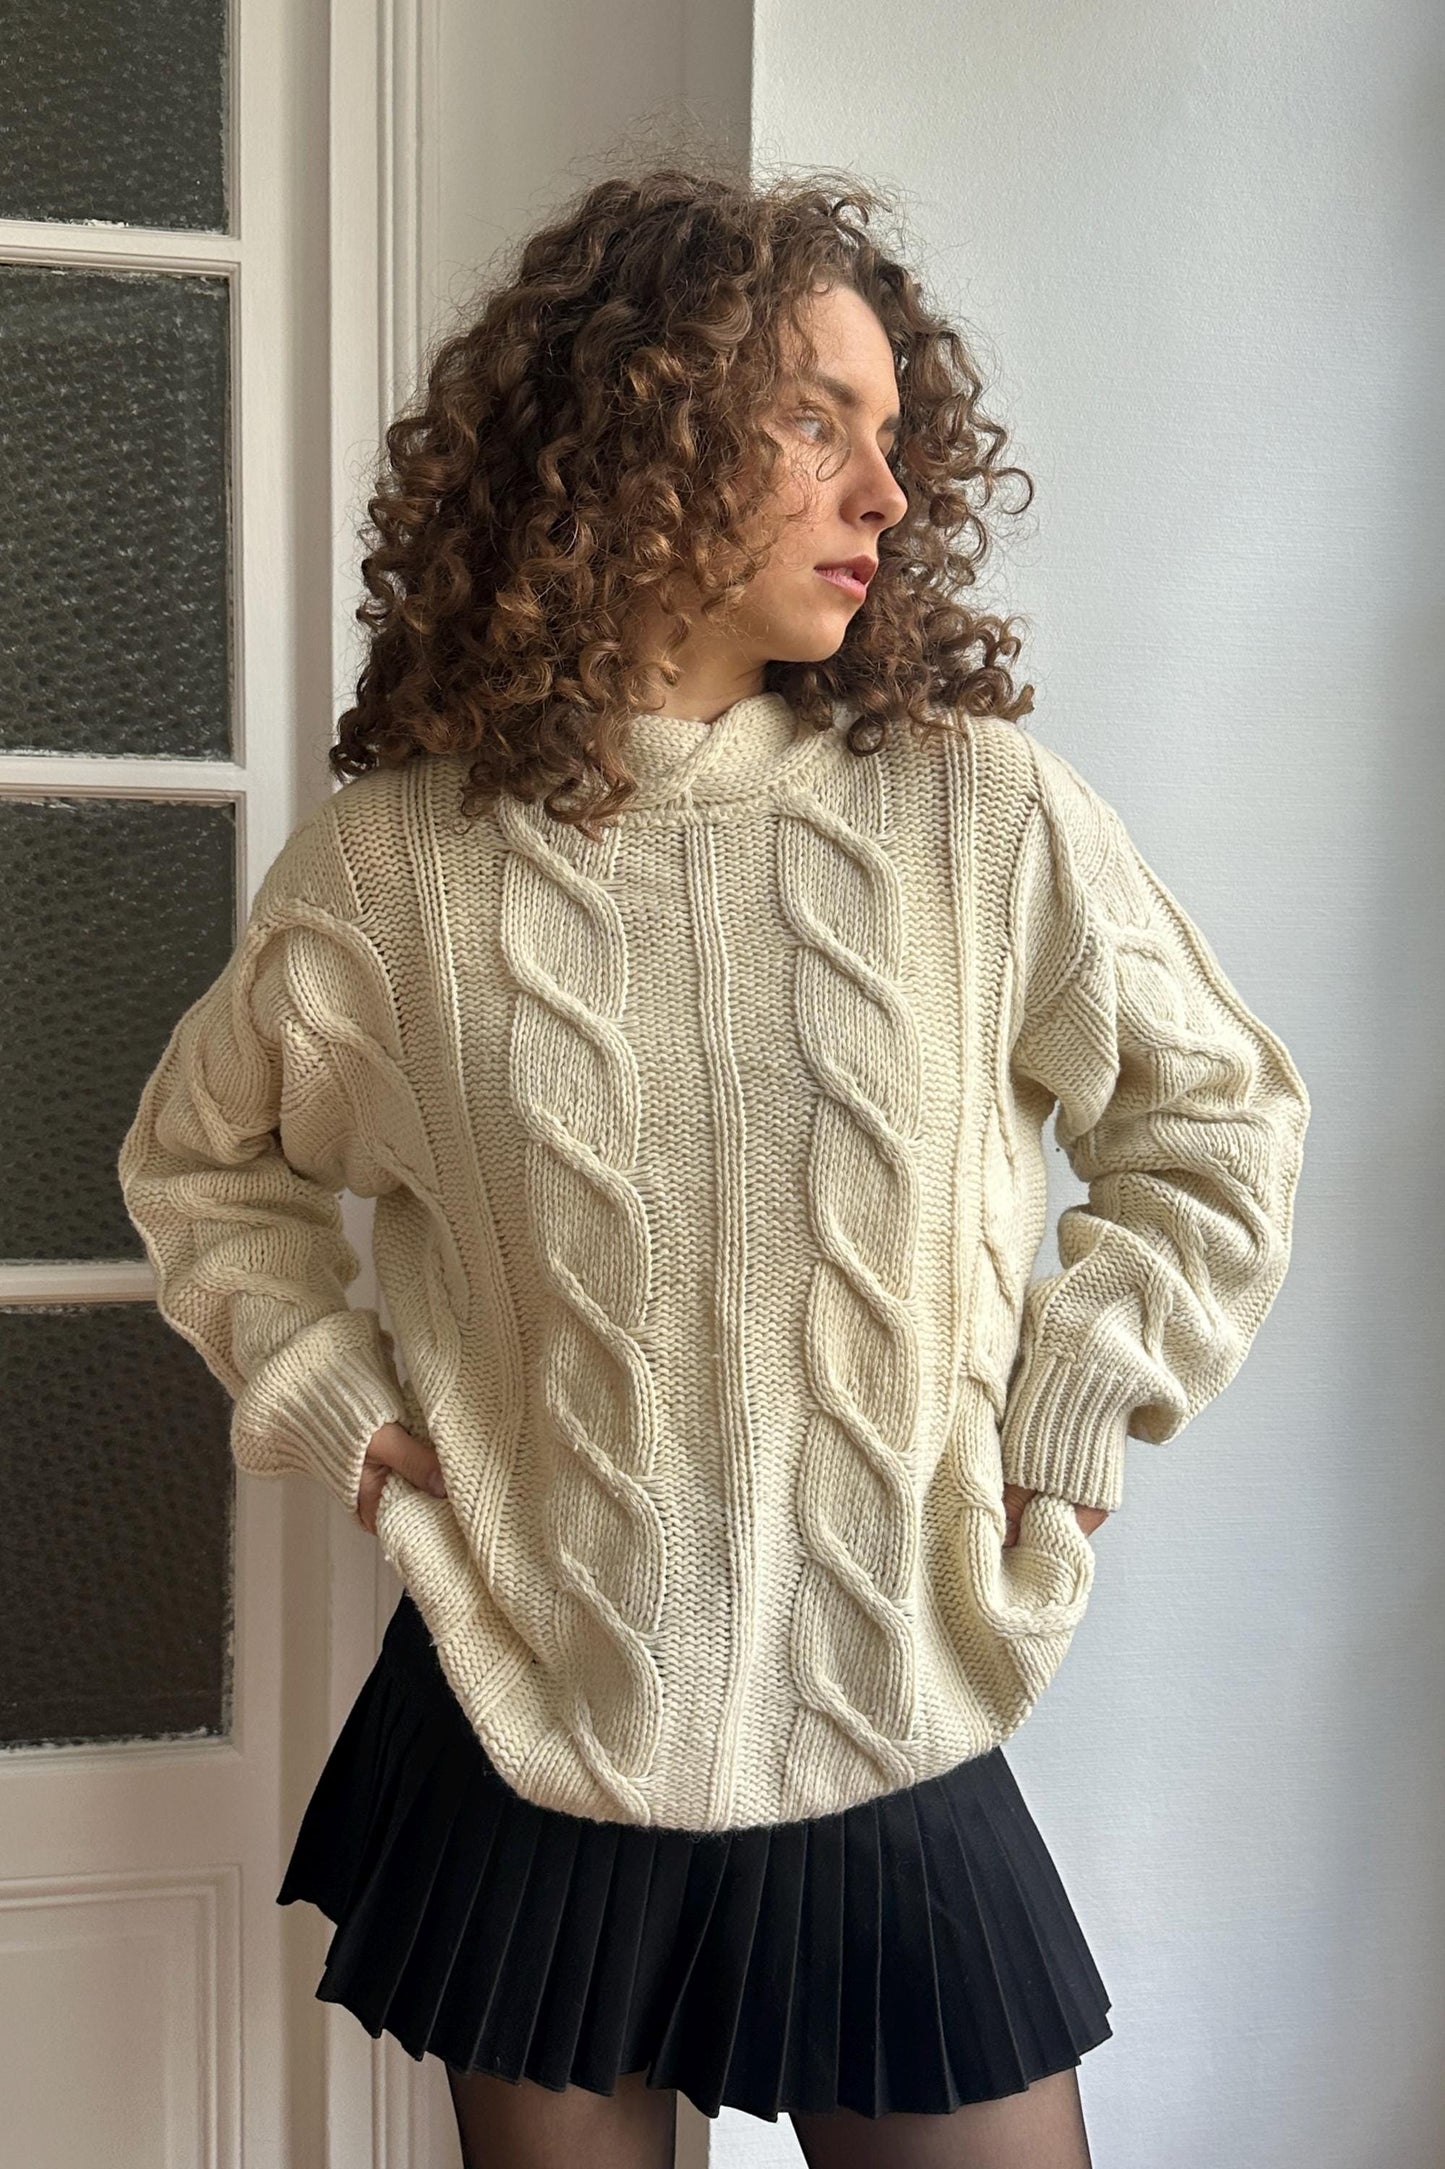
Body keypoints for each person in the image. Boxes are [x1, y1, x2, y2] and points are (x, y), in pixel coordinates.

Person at [117, 159, 1311, 2169]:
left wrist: (1082, 1374)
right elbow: (198, 1163)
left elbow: (1212, 1116)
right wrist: (329, 1388)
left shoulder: (974, 817)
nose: (888, 492)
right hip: (535, 1704)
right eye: (818, 422)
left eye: (897, 435)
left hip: (889, 1690)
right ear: (641, 436)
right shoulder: (397, 874)